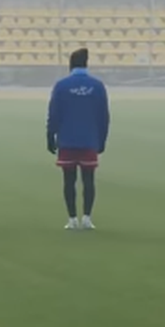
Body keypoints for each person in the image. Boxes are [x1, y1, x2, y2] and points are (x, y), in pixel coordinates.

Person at [47, 48, 110, 230]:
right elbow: (103, 116)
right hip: (89, 139)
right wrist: (102, 139)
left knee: (69, 180)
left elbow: (54, 113)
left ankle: (72, 218)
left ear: (71, 65)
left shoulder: (62, 85)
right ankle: (87, 218)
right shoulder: (97, 86)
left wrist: (50, 135)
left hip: (67, 139)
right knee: (89, 179)